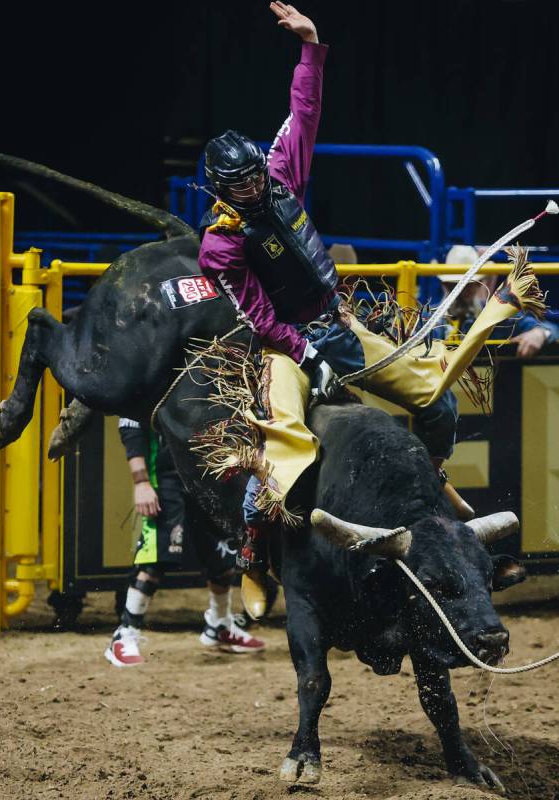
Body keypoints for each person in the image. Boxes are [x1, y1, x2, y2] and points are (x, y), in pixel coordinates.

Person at [197, 3, 542, 618]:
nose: (253, 187)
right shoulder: (221, 244)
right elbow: (256, 316)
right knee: (284, 448)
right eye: (241, 183)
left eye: (255, 177)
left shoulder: (283, 176)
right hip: (285, 346)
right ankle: (252, 551)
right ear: (222, 188)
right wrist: (306, 355)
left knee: (439, 401)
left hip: (340, 324)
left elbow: (304, 113)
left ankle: (431, 480)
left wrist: (312, 48)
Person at [104, 418, 265, 666]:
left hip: (208, 473)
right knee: (156, 556)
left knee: (223, 556)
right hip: (167, 476)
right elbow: (130, 423)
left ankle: (219, 625)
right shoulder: (155, 379)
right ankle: (124, 633)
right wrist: (141, 482)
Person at [437, 245, 559, 356]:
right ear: (446, 285)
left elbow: (549, 328)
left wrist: (539, 333)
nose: (465, 289)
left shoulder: (497, 315)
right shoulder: (430, 320)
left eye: (471, 283)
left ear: (479, 284)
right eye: (456, 284)